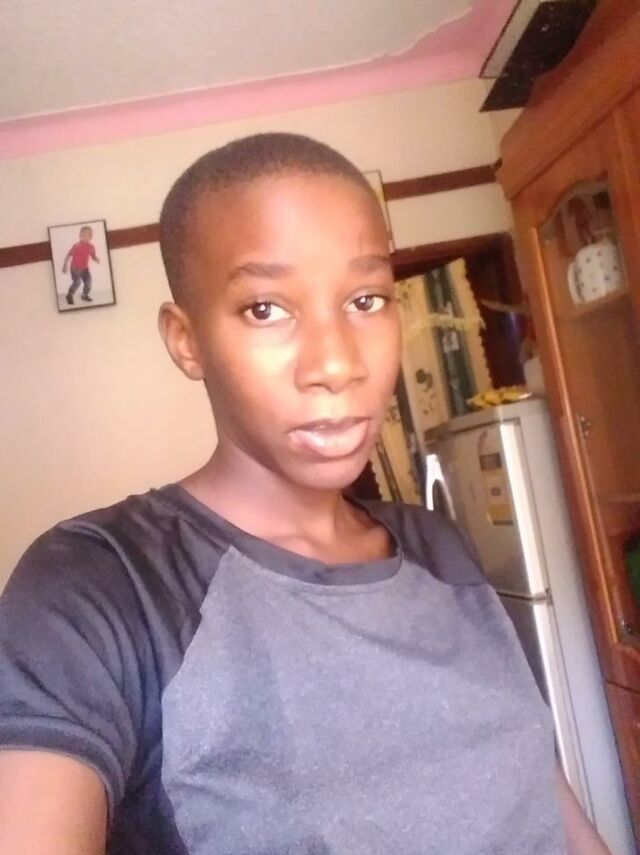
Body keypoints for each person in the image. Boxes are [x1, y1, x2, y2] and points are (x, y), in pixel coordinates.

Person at [0, 133, 612, 854]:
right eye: (265, 308)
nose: (337, 363)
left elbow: (540, 789)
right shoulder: (99, 583)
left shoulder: (434, 543)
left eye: (366, 299)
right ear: (186, 340)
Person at [62, 224, 100, 305]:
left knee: (89, 282)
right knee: (77, 282)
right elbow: (68, 255)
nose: (86, 237)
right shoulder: (76, 246)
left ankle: (84, 295)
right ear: (80, 236)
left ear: (91, 237)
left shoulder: (91, 247)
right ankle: (69, 295)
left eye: (88, 236)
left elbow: (93, 256)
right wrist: (65, 266)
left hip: (85, 268)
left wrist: (96, 259)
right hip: (75, 268)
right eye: (83, 235)